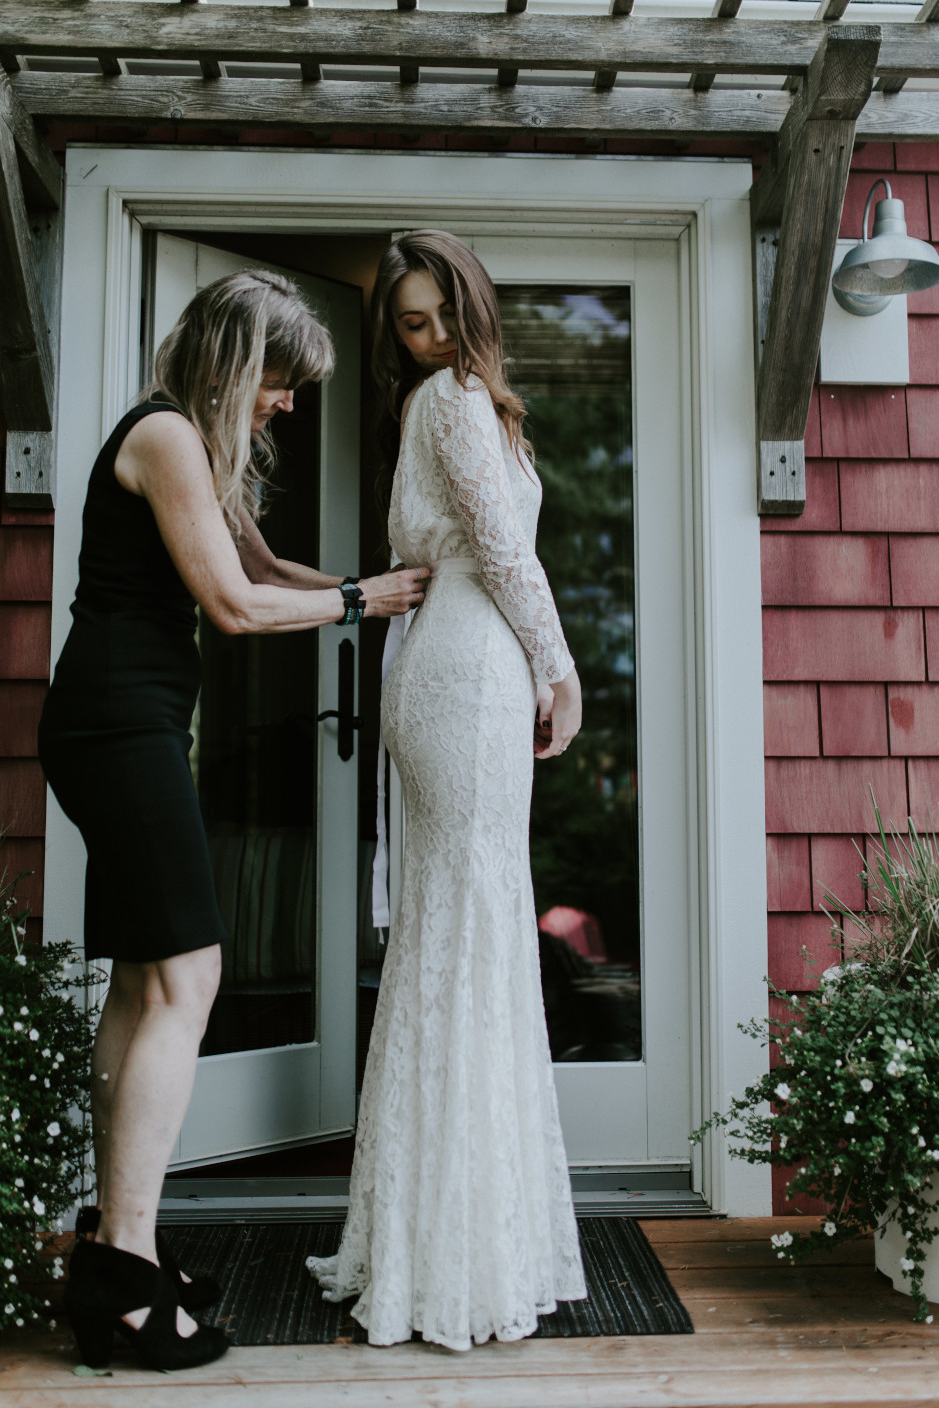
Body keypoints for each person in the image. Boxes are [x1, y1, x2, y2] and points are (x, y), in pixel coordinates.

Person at [38, 269, 428, 1372]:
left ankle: (115, 1256)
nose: (288, 406)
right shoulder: (161, 434)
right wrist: (364, 603)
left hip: (130, 724)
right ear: (234, 362)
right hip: (117, 726)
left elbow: (263, 567)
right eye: (282, 383)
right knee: (192, 976)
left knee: (142, 980)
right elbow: (237, 606)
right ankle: (123, 1270)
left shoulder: (193, 456)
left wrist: (383, 590)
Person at [306, 231, 586, 1349]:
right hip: (467, 671)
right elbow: (508, 558)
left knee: (452, 935)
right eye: (407, 324)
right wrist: (560, 670)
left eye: (437, 316)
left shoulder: (467, 403)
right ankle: (456, 1250)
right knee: (467, 935)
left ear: (472, 304)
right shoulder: (456, 404)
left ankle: (445, 1233)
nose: (423, 339)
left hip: (451, 661)